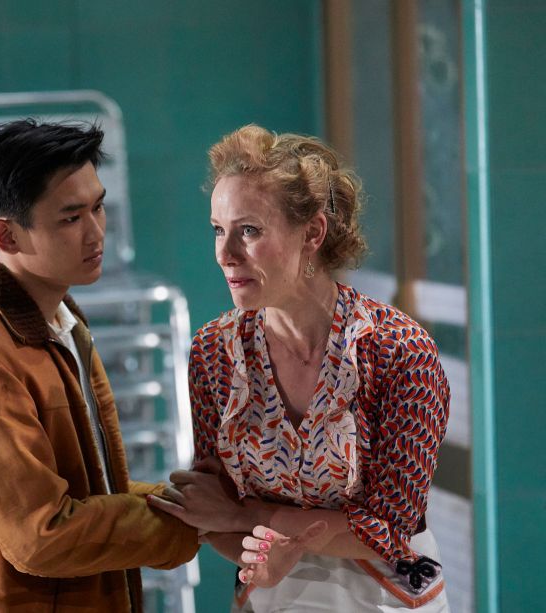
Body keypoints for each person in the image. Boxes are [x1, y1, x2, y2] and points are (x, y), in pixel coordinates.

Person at [147, 124, 450, 611]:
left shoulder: (399, 351)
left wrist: (247, 517)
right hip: (270, 597)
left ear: (312, 233)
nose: (225, 254)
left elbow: (388, 530)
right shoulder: (213, 353)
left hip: (385, 598)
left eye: (249, 231)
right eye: (218, 229)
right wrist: (256, 559)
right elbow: (210, 506)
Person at [0, 119, 199, 612]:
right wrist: (190, 523)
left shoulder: (60, 327)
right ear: (7, 235)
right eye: (71, 218)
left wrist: (193, 503)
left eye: (98, 207)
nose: (96, 232)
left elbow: (94, 491)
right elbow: (41, 534)